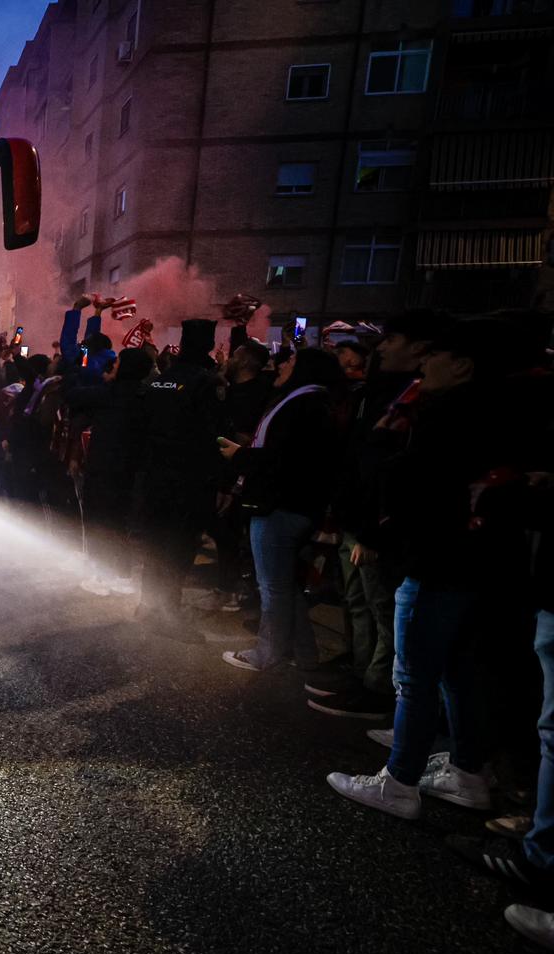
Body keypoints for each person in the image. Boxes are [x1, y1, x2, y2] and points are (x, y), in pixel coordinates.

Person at [326, 319, 510, 819]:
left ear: (463, 365)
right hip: (467, 560)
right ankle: (468, 772)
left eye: (435, 355)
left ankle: (400, 781)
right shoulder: (487, 411)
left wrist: (385, 451)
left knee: (415, 676)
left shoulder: (445, 416)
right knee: (455, 671)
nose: (425, 364)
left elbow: (412, 485)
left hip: (436, 559)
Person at [309, 310, 443, 719]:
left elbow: (395, 471)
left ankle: (380, 689)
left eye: (391, 340)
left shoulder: (415, 397)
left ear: (420, 348)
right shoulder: (379, 392)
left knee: (383, 607)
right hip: (357, 518)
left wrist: (372, 530)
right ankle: (363, 672)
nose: (381, 348)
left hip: (376, 526)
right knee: (359, 602)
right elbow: (361, 459)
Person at [218, 347, 344, 671]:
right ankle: (304, 655)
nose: (279, 365)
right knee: (286, 585)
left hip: (280, 506)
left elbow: (283, 460)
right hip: (295, 505)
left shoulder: (301, 404)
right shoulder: (316, 402)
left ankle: (268, 655)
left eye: (290, 361)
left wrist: (240, 456)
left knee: (272, 587)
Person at [135, 318, 226, 641]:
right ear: (208, 345)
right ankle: (168, 614)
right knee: (179, 546)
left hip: (155, 475)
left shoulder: (162, 379)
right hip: (187, 479)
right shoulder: (206, 382)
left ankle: (148, 605)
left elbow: (143, 425)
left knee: (157, 543)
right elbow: (212, 435)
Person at [68, 346, 153, 596]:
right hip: (131, 469)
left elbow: (72, 394)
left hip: (103, 468)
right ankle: (123, 574)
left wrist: (78, 366)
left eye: (117, 364)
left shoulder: (108, 394)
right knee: (121, 522)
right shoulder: (145, 396)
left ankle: (102, 575)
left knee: (99, 520)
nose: (112, 367)